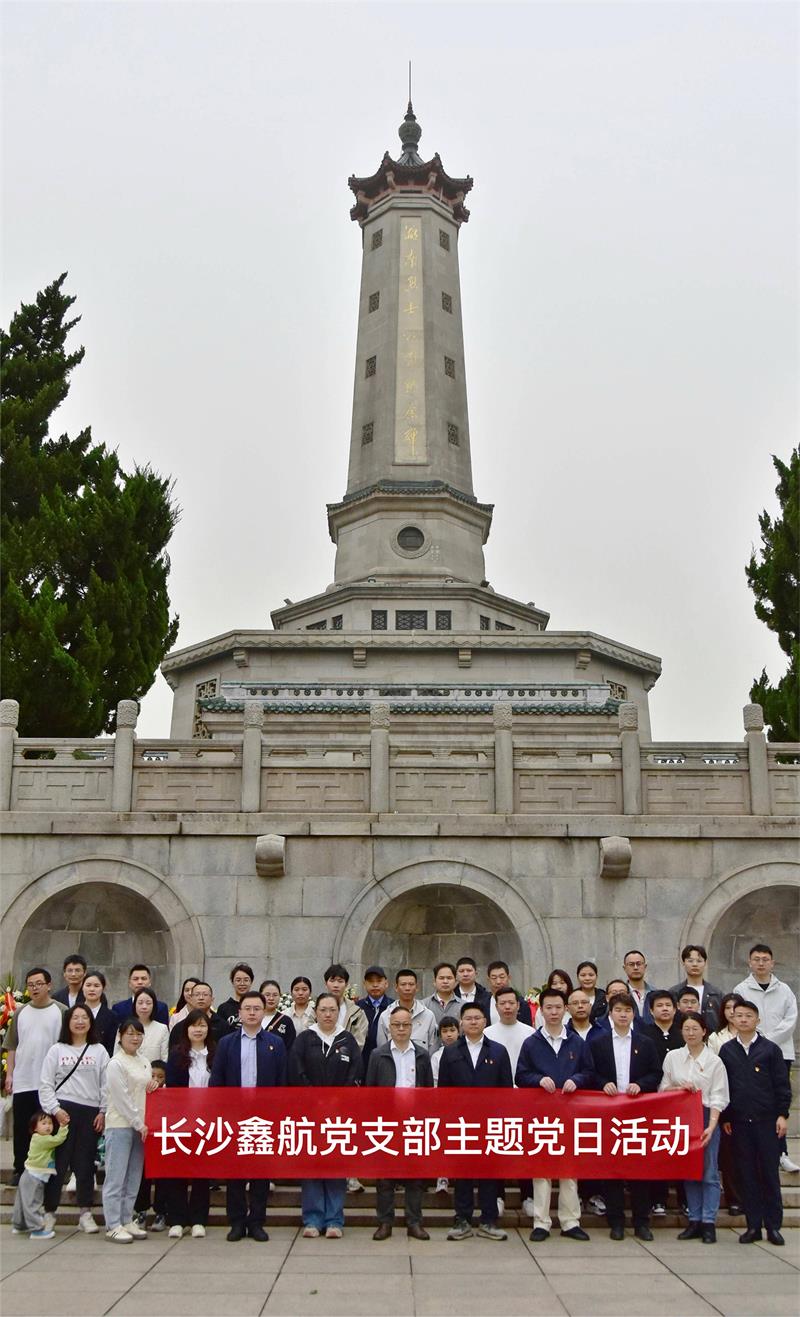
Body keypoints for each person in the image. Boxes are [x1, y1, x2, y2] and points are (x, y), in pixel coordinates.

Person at [210, 990, 287, 1241]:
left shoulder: (275, 1043)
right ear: (240, 1013)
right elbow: (217, 1080)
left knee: (261, 1173)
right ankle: (236, 1222)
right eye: (248, 1008)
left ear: (264, 1012)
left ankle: (256, 1222)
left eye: (257, 1008)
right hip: (234, 1115)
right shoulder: (226, 1043)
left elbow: (282, 1082)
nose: (252, 1013)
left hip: (264, 1117)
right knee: (235, 1173)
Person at [515, 988, 591, 1243]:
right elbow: (521, 1075)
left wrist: (576, 1079)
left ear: (565, 1009)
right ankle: (541, 1222)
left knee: (569, 1170)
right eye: (549, 1007)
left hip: (570, 1114)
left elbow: (589, 1072)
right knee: (542, 1170)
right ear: (542, 1010)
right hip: (541, 1116)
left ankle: (570, 1221)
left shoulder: (576, 1042)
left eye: (558, 1007)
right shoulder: (532, 1043)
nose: (554, 1012)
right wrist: (538, 1079)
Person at [588, 991, 662, 1240]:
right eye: (618, 1010)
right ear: (610, 1013)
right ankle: (616, 1222)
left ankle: (642, 1222)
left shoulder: (645, 1042)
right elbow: (590, 1073)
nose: (623, 1015)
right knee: (612, 1170)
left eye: (627, 1011)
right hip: (608, 1113)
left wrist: (640, 1084)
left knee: (639, 1170)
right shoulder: (598, 1043)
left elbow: (656, 1073)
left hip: (637, 1113)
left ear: (633, 1014)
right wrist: (603, 1084)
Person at [289, 992, 362, 1238]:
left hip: (339, 1115)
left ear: (338, 1013)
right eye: (323, 1010)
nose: (328, 1014)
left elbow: (355, 1072)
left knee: (335, 1167)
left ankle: (334, 1221)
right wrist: (314, 1099)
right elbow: (296, 1071)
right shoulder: (305, 1039)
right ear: (316, 1012)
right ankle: (312, 1220)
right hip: (310, 1114)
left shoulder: (347, 1039)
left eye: (332, 1010)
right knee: (312, 1167)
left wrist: (338, 1100)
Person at [437, 1003, 513, 1241]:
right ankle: (462, 1219)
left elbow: (506, 1091)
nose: (473, 1022)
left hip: (490, 1124)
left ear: (485, 1022)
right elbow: (444, 1092)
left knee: (490, 1173)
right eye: (468, 1018)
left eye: (477, 1018)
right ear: (461, 1023)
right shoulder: (450, 1052)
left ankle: (489, 1220)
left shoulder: (498, 1051)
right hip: (461, 1124)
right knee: (462, 1174)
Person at [720, 999, 792, 1245]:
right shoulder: (727, 1050)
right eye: (739, 1015)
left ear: (757, 1020)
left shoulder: (770, 1049)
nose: (743, 1019)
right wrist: (726, 1117)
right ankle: (753, 1226)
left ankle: (773, 1226)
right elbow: (724, 1086)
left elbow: (782, 1085)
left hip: (767, 1122)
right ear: (732, 1018)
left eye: (748, 1016)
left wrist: (782, 1114)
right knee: (747, 1175)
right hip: (739, 1123)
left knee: (769, 1175)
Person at [39, 1003, 109, 1234]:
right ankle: (49, 1212)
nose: (80, 1022)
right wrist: (55, 1110)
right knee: (57, 1165)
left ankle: (85, 1213)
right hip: (62, 1113)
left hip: (90, 1113)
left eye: (84, 1017)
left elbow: (106, 1085)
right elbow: (45, 1084)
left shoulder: (99, 1051)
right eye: (75, 1017)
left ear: (91, 1022)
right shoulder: (57, 1050)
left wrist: (103, 1111)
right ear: (67, 1022)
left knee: (85, 1165)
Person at [660, 1011, 729, 1243]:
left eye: (695, 1029)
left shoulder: (714, 1061)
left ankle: (709, 1222)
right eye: (686, 1029)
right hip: (682, 1117)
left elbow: (719, 1096)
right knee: (689, 1170)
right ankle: (694, 1220)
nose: (691, 1033)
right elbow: (662, 1088)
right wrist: (678, 1088)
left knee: (709, 1172)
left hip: (706, 1115)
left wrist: (712, 1125)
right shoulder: (673, 1057)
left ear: (704, 1031)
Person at [365, 1006, 433, 1240]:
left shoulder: (422, 1055)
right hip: (387, 1123)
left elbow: (428, 1091)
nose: (401, 1029)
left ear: (412, 1027)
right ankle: (385, 1222)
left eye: (406, 1024)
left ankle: (414, 1222)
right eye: (396, 1025)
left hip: (414, 1123)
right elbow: (370, 1091)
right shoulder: (378, 1055)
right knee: (385, 1177)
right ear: (389, 1028)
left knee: (415, 1177)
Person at [734, 943, 799, 1172]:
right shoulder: (741, 989)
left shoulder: (784, 990)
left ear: (772, 963)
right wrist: (758, 1041)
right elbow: (740, 1018)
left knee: (779, 1101)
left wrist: (767, 1040)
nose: (761, 963)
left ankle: (782, 1153)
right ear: (749, 962)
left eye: (765, 959)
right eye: (756, 959)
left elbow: (790, 1020)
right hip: (750, 1053)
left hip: (781, 1052)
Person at [3, 967, 66, 1184]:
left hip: (51, 1082)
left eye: (39, 984)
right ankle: (20, 1169)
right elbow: (12, 1046)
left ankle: (54, 1170)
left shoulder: (61, 1011)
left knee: (51, 1127)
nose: (34, 988)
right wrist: (10, 1074)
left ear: (49, 985)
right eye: (30, 985)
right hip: (24, 1080)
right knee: (22, 1127)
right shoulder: (21, 1012)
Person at [165, 1009, 216, 1238]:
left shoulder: (215, 1054)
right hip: (181, 1121)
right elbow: (172, 1089)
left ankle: (198, 1219)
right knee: (177, 1170)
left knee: (201, 1172)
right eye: (194, 1025)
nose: (198, 1029)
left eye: (202, 1025)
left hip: (207, 1121)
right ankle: (177, 1219)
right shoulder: (177, 1055)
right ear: (186, 1029)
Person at [102, 1018, 154, 1243]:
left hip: (141, 1127)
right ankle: (112, 1224)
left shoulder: (144, 1061)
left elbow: (145, 1089)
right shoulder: (116, 1063)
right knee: (116, 1176)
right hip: (120, 1125)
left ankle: (126, 1218)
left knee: (133, 1176)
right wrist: (137, 1122)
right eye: (130, 1033)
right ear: (120, 1037)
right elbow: (121, 1097)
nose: (135, 1038)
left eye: (139, 1034)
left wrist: (154, 1085)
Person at [11, 1111, 69, 1239]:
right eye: (43, 1123)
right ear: (35, 1128)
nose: (48, 1126)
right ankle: (36, 1229)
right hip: (34, 1176)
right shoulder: (41, 1139)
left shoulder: (38, 1138)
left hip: (29, 1174)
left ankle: (19, 1225)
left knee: (22, 1202)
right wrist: (63, 1127)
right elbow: (58, 1139)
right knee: (33, 1203)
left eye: (50, 1123)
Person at [132, 1059, 168, 1231]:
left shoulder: (169, 1094)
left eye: (160, 1077)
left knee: (162, 1177)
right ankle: (141, 1212)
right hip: (144, 1138)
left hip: (162, 1140)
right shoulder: (139, 1092)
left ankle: (161, 1212)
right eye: (152, 1076)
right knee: (142, 1177)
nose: (156, 1080)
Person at [431, 1017, 460, 1195]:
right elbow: (435, 1082)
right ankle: (442, 1177)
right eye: (445, 1031)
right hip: (443, 1107)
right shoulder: (436, 1057)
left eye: (452, 1031)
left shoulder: (464, 1051)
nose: (449, 1035)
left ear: (459, 1031)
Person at [376, 971, 437, 1052]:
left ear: (417, 987)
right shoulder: (385, 1015)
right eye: (403, 984)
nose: (407, 988)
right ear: (396, 987)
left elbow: (432, 1047)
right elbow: (382, 1048)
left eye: (411, 984)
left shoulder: (428, 1016)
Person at [668, 945, 723, 1034]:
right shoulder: (674, 992)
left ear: (705, 963)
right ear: (683, 963)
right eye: (690, 961)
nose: (695, 964)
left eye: (699, 961)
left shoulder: (716, 993)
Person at [485, 986, 535, 1076]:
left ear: (518, 1005)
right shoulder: (486, 1033)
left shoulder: (530, 1033)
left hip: (524, 1081)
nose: (507, 1007)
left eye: (511, 1003)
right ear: (496, 1007)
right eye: (502, 1003)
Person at [114, 989, 169, 1063]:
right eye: (140, 1003)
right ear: (134, 1005)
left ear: (154, 1006)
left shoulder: (162, 1029)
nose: (144, 1007)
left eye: (148, 1003)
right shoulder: (124, 1027)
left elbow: (165, 1058)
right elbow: (116, 1055)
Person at [321, 964, 368, 1049]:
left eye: (340, 981)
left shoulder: (357, 1013)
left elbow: (358, 1043)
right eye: (332, 980)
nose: (336, 985)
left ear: (346, 984)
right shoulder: (315, 1010)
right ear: (325, 983)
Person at [356, 965, 394, 1063]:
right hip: (362, 1061)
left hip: (387, 1060)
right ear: (364, 984)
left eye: (379, 981)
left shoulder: (393, 1007)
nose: (375, 985)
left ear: (386, 983)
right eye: (371, 981)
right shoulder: (357, 1008)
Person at [170, 982, 226, 1047]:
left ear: (212, 1000)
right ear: (191, 999)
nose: (201, 998)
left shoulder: (223, 1026)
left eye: (205, 995)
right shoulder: (179, 1027)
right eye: (197, 995)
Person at [80, 971, 118, 1055]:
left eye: (96, 986)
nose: (92, 989)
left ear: (103, 988)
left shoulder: (112, 1016)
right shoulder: (73, 1013)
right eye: (88, 985)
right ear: (82, 987)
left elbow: (111, 1046)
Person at [216, 963, 255, 1034]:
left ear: (251, 982)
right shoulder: (223, 1008)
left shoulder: (257, 1006)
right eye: (238, 980)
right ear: (232, 982)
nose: (242, 984)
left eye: (246, 980)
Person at [258, 980, 296, 1050]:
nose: (271, 998)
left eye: (275, 995)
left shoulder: (286, 1021)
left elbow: (291, 1049)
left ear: (280, 996)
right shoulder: (253, 1018)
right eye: (267, 995)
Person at [423, 962, 461, 1027]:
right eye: (441, 978)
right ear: (434, 982)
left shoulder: (463, 1006)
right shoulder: (423, 1005)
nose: (445, 981)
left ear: (455, 982)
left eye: (449, 978)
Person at [622, 951, 654, 1024]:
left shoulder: (655, 993)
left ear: (645, 966)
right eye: (631, 964)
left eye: (639, 964)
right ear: (624, 968)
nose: (635, 967)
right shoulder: (621, 993)